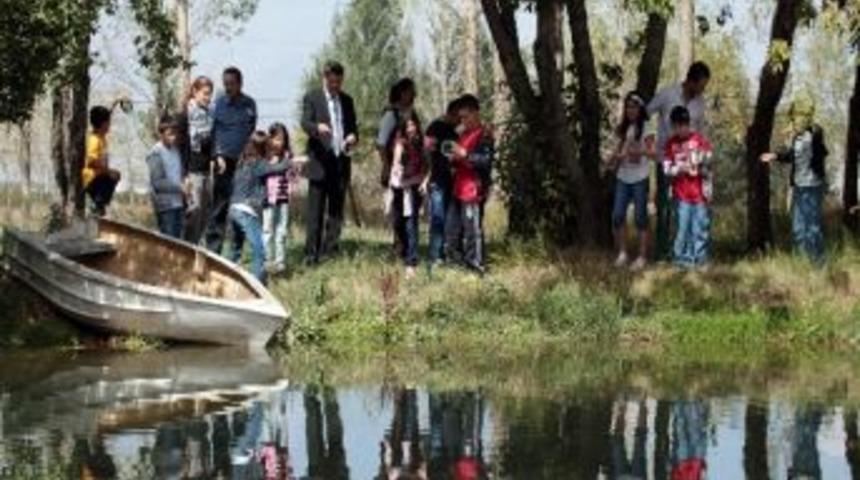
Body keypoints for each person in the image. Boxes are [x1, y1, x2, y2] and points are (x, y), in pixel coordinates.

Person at [648, 61, 711, 261]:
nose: (702, 90)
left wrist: (702, 160)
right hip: (666, 159)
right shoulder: (667, 94)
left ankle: (685, 253)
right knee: (664, 208)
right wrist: (649, 140)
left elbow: (701, 132)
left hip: (690, 167)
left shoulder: (700, 103)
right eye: (701, 85)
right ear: (691, 81)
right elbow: (646, 113)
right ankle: (661, 252)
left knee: (684, 210)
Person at [301, 61, 358, 265]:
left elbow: (353, 128)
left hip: (340, 162)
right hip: (319, 163)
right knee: (315, 212)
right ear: (324, 78)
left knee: (336, 211)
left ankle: (330, 251)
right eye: (332, 82)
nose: (335, 86)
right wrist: (317, 128)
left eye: (339, 82)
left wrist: (352, 137)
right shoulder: (312, 97)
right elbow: (305, 123)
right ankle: (311, 254)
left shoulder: (347, 100)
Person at [761, 97, 829, 265]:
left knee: (812, 227)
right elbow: (792, 155)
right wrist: (774, 155)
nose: (795, 121)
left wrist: (803, 129)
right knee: (798, 227)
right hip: (798, 186)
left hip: (813, 186)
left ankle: (818, 263)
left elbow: (820, 147)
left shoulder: (815, 134)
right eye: (794, 117)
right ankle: (801, 262)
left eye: (799, 117)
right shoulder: (796, 138)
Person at [228, 131, 291, 285]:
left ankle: (227, 278)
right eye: (269, 147)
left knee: (235, 249)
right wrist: (290, 161)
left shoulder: (242, 161)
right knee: (259, 249)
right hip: (246, 211)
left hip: (233, 209)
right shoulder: (258, 163)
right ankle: (257, 285)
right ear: (263, 148)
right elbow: (279, 169)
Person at [207, 66, 258, 254]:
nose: (228, 87)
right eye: (225, 84)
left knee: (240, 207)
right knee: (219, 207)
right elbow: (212, 133)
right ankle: (213, 251)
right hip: (222, 163)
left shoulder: (249, 104)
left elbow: (251, 131)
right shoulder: (217, 105)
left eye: (231, 84)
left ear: (240, 84)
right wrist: (217, 155)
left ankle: (235, 253)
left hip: (243, 164)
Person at [445, 95, 494, 275]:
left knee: (472, 231)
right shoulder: (463, 134)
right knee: (452, 229)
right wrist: (453, 158)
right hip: (458, 188)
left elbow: (485, 161)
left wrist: (465, 154)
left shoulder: (484, 134)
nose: (463, 121)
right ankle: (456, 264)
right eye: (461, 117)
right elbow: (459, 159)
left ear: (476, 113)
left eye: (466, 117)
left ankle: (476, 267)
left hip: (473, 190)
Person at [609, 92, 656, 271]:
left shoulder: (647, 127)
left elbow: (653, 153)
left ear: (640, 109)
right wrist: (613, 159)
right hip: (623, 177)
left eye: (634, 107)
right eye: (628, 107)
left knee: (640, 217)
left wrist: (640, 152)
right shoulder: (623, 128)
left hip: (640, 177)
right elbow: (618, 151)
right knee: (618, 215)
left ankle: (642, 256)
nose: (630, 110)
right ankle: (623, 254)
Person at [663, 106, 714, 270]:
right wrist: (680, 168)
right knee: (682, 227)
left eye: (684, 125)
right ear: (673, 126)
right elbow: (666, 169)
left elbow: (709, 157)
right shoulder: (671, 144)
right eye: (677, 126)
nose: (681, 129)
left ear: (689, 124)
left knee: (699, 227)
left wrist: (700, 158)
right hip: (681, 194)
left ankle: (700, 259)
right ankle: (681, 261)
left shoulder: (698, 140)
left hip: (700, 194)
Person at [389, 117, 429, 279]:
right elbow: (396, 161)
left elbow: (428, 166)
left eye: (413, 125)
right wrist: (397, 166)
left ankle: (411, 262)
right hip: (398, 185)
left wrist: (425, 182)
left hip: (414, 186)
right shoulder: (400, 143)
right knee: (398, 222)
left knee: (411, 223)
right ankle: (405, 252)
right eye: (407, 126)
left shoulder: (423, 144)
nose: (411, 128)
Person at [424, 99, 461, 268]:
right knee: (437, 217)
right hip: (437, 179)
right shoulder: (435, 128)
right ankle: (435, 256)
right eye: (458, 117)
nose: (460, 121)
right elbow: (427, 153)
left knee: (449, 218)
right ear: (451, 113)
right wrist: (427, 176)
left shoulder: (455, 133)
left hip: (452, 180)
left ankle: (447, 253)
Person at [181, 75, 215, 245]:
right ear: (195, 91)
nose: (208, 98)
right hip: (192, 171)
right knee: (194, 212)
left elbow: (210, 142)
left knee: (205, 214)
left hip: (206, 170)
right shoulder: (186, 115)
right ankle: (187, 249)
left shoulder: (210, 116)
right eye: (205, 93)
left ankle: (197, 249)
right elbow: (182, 147)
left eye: (210, 94)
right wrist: (184, 175)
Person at [263, 122, 298, 275]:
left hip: (283, 198)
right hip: (268, 199)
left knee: (282, 231)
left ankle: (280, 263)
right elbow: (260, 174)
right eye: (275, 139)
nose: (279, 142)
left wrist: (292, 189)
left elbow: (293, 176)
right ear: (269, 139)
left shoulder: (288, 156)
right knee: (267, 230)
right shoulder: (266, 156)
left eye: (282, 139)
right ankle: (266, 261)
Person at [146, 117, 185, 239]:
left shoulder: (176, 151)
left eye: (175, 133)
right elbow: (157, 183)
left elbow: (178, 174)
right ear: (161, 134)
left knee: (178, 243)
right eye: (170, 134)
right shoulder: (155, 153)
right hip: (165, 206)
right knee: (169, 242)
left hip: (178, 203)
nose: (174, 137)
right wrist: (180, 188)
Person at [377, 78, 419, 187]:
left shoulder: (411, 113)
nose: (414, 95)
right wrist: (386, 167)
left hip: (413, 171)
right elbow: (381, 143)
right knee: (397, 195)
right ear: (403, 93)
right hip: (396, 172)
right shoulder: (391, 114)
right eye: (412, 92)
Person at [83, 106, 122, 216]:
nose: (110, 125)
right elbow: (91, 161)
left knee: (115, 175)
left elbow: (106, 114)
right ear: (104, 124)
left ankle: (100, 205)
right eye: (109, 122)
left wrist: (116, 102)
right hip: (92, 179)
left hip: (99, 177)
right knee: (112, 176)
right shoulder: (94, 140)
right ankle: (97, 204)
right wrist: (108, 171)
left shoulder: (101, 137)